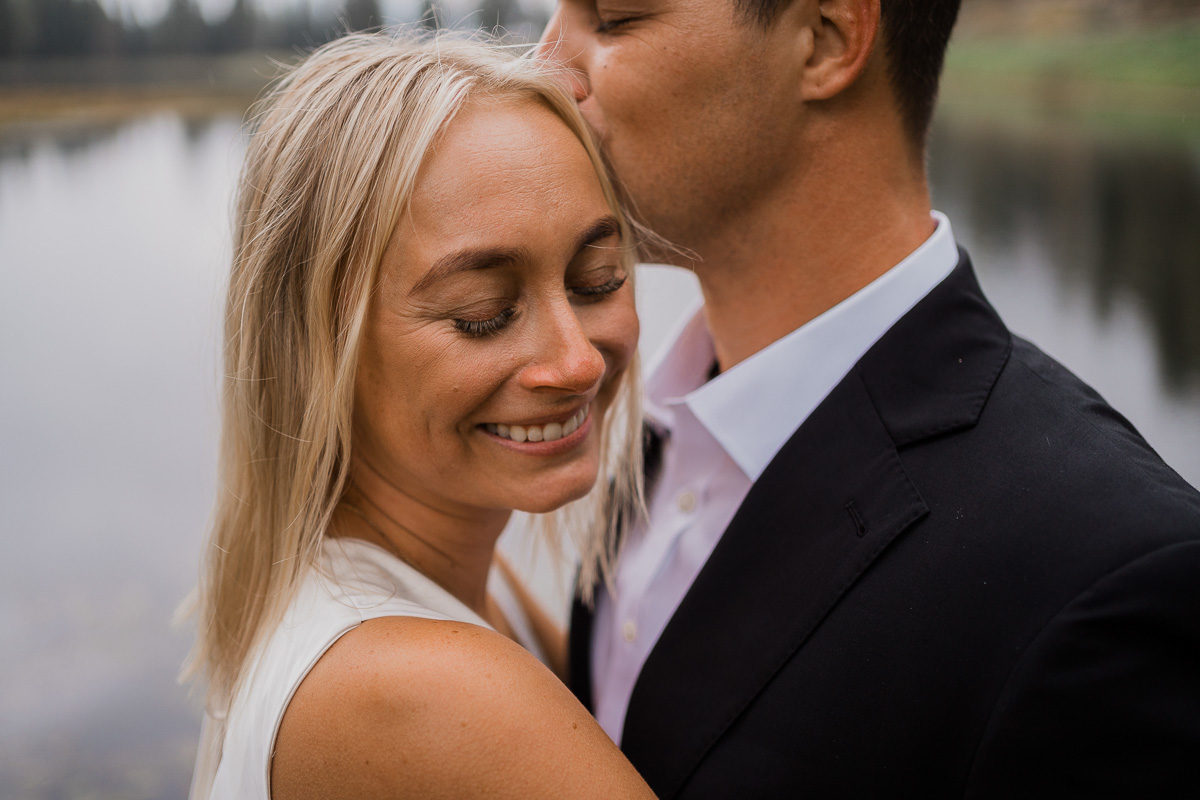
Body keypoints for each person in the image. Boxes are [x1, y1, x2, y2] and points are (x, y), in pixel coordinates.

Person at [538, 0, 1200, 796]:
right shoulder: (655, 420)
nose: (544, 68)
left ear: (826, 38)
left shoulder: (1104, 576)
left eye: (612, 20)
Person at [182, 33, 657, 799]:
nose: (578, 362)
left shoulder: (461, 573)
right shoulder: (423, 688)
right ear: (317, 346)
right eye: (485, 313)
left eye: (596, 279)